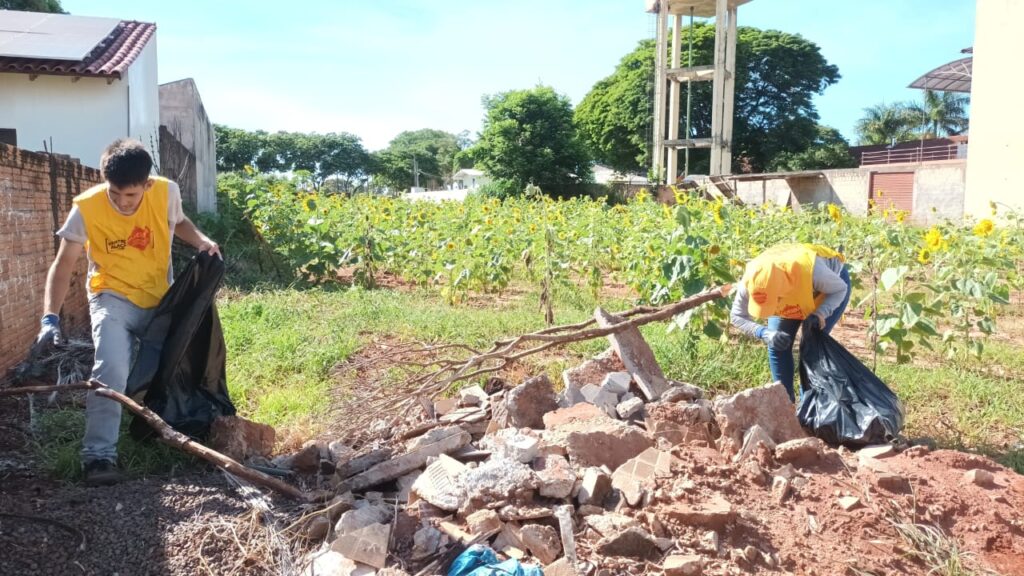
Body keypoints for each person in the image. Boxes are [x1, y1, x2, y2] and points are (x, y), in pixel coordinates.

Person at [33, 138, 220, 486]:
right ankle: (98, 456)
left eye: (130, 195)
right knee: (111, 370)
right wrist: (50, 317)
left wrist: (201, 240)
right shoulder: (87, 208)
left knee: (174, 367)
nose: (121, 202)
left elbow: (179, 222)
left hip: (159, 301)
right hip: (111, 298)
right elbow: (63, 264)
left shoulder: (166, 193)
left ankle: (172, 432)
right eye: (114, 193)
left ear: (146, 184)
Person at [730, 243, 851, 403]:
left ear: (781, 292)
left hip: (828, 291)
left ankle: (808, 404)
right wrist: (764, 333)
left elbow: (840, 289)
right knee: (777, 344)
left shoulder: (813, 272)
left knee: (811, 348)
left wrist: (820, 314)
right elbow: (737, 316)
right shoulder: (752, 280)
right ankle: (785, 402)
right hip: (795, 290)